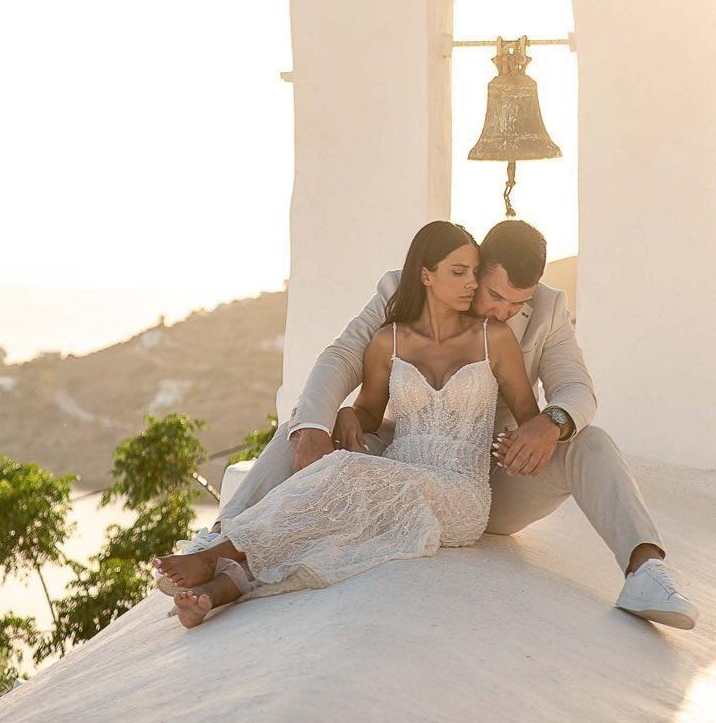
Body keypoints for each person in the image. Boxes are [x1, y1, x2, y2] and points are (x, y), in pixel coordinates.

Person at [158, 218, 697, 630]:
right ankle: (225, 539)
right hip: (402, 452)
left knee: (592, 442)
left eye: (520, 303)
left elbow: (577, 389)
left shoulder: (548, 312)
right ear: (472, 269)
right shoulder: (405, 293)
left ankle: (645, 571)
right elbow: (343, 356)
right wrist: (332, 420)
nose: (506, 311)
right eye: (494, 295)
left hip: (498, 471)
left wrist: (552, 422)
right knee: (305, 424)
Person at [154, 221, 539, 625]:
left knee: (346, 473)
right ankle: (215, 592)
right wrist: (345, 413)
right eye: (457, 272)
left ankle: (218, 552)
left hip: (459, 496)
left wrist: (535, 434)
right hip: (398, 478)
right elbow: (369, 413)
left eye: (474, 273)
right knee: (325, 530)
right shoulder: (387, 341)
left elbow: (529, 417)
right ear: (426, 275)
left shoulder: (492, 337)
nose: (470, 284)